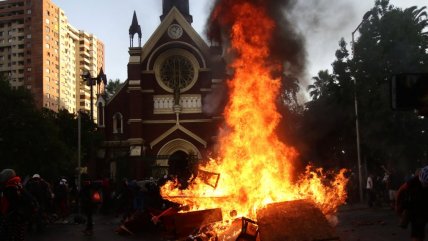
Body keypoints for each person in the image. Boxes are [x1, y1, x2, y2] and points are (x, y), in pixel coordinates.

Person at [0, 169, 37, 241]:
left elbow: (9, 205)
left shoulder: (10, 188)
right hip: (21, 218)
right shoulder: (18, 185)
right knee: (19, 236)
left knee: (9, 236)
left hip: (13, 218)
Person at [396, 165, 428, 241]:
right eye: (423, 183)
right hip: (415, 209)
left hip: (424, 206)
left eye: (426, 184)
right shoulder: (412, 181)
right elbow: (400, 191)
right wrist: (397, 206)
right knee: (417, 234)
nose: (424, 185)